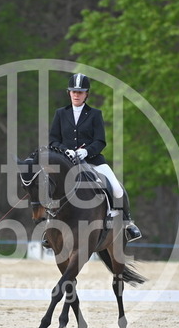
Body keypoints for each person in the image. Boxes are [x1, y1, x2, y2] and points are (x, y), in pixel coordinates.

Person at [46, 72, 142, 244]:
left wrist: (86, 151)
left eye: (80, 92)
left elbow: (100, 141)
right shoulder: (60, 113)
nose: (76, 95)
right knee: (49, 188)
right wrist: (65, 151)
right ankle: (49, 227)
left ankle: (127, 223)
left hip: (93, 161)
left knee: (117, 188)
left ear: (86, 94)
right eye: (74, 91)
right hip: (66, 163)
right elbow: (53, 140)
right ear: (69, 93)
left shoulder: (95, 114)